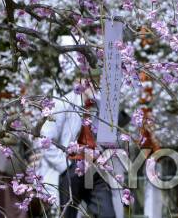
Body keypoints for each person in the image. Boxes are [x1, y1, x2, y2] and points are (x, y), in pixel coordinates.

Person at [39, 36, 119, 218]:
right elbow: (45, 140)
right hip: (70, 167)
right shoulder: (61, 104)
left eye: (94, 80)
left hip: (94, 168)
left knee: (108, 214)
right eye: (87, 80)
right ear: (77, 81)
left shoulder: (100, 106)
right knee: (67, 214)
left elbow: (109, 137)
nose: (91, 84)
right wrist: (63, 165)